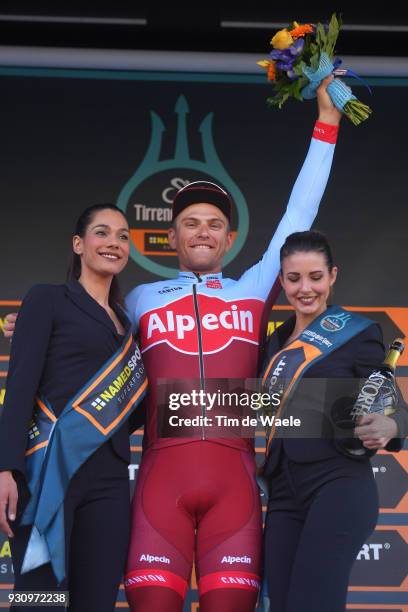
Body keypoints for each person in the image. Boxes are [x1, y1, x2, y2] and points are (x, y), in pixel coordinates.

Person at [4, 76, 341, 611]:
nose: (202, 231)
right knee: (60, 598)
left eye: (213, 224)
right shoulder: (137, 300)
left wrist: (328, 122)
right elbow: (84, 346)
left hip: (234, 483)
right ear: (171, 238)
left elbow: (299, 216)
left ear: (230, 239)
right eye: (189, 223)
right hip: (158, 484)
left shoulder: (252, 291)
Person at [0, 204, 146, 611]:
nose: (113, 243)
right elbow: (20, 387)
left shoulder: (127, 322)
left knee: (96, 601)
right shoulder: (47, 299)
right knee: (40, 600)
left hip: (110, 482)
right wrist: (5, 469)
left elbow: (132, 412)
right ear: (79, 244)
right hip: (48, 471)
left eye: (122, 236)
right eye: (102, 233)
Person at [260, 230, 408, 612]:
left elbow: (391, 403)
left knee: (314, 604)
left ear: (333, 276)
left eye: (315, 277)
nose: (305, 288)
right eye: (293, 279)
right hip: (283, 492)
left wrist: (390, 427)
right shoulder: (274, 344)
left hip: (338, 484)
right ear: (281, 281)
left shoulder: (358, 334)